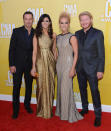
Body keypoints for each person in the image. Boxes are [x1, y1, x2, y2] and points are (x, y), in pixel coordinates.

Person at [75, 11, 105, 127]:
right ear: (80, 21)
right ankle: (85, 108)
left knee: (94, 92)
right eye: (82, 20)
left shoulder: (98, 33)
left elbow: (101, 54)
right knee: (82, 90)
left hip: (93, 69)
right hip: (80, 68)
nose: (84, 22)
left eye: (86, 19)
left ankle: (98, 115)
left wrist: (100, 70)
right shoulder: (77, 34)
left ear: (91, 20)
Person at [55, 12, 83, 123]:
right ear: (59, 24)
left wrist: (73, 68)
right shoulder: (57, 37)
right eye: (61, 23)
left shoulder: (72, 37)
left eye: (66, 23)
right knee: (60, 89)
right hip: (59, 65)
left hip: (68, 64)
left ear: (69, 24)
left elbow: (76, 54)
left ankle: (67, 114)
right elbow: (56, 52)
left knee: (66, 89)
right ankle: (61, 111)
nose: (64, 25)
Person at [9, 11, 34, 119]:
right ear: (23, 20)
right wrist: (12, 64)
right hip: (17, 65)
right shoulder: (16, 31)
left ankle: (27, 105)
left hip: (30, 65)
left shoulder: (36, 32)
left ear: (33, 20)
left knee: (29, 87)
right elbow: (12, 49)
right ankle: (15, 110)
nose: (28, 21)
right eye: (26, 19)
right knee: (16, 88)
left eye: (30, 19)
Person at [31, 14, 56, 119]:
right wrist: (33, 67)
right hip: (40, 62)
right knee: (41, 86)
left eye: (47, 21)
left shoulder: (53, 35)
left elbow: (54, 51)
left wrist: (56, 63)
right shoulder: (36, 34)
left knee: (50, 85)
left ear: (50, 22)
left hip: (50, 62)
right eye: (43, 21)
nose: (45, 23)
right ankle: (41, 110)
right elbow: (35, 52)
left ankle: (48, 110)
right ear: (40, 22)